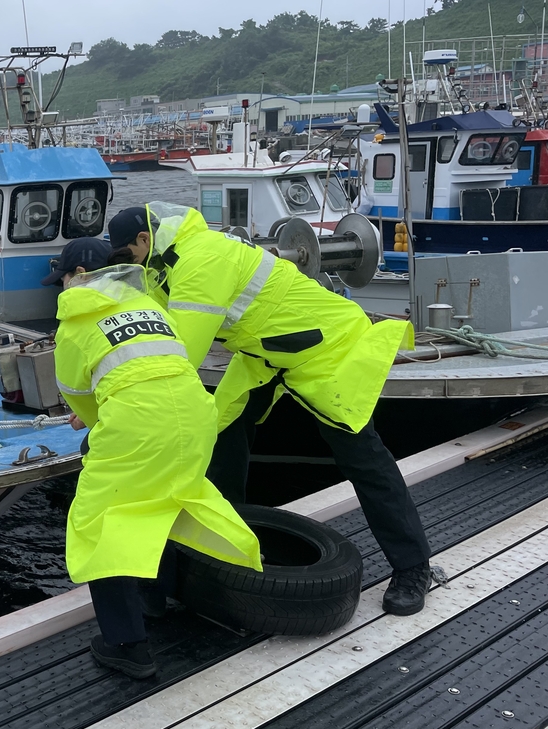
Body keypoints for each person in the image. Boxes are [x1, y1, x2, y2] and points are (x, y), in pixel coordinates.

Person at [106, 203, 434, 615]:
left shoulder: (200, 259)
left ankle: (413, 568)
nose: (125, 264)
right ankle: (223, 550)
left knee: (361, 456)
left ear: (144, 239)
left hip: (325, 345)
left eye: (125, 254)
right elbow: (147, 326)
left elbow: (179, 356)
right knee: (221, 434)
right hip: (265, 351)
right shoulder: (159, 265)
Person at [43, 237, 262, 678]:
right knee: (162, 504)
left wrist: (96, 417)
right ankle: (153, 598)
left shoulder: (74, 325)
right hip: (196, 419)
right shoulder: (151, 308)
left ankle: (126, 645)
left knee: (101, 526)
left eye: (61, 278)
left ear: (75, 277)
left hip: (137, 429)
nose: (60, 287)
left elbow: (79, 399)